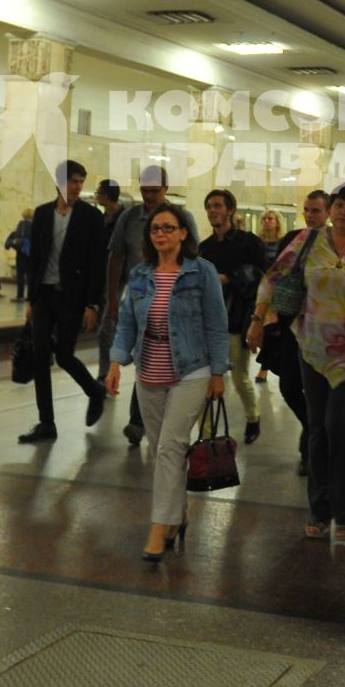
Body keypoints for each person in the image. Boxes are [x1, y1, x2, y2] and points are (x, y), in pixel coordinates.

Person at [248, 184, 345, 543]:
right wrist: (258, 319)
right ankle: (320, 510)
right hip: (312, 347)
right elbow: (273, 278)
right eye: (339, 205)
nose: (343, 212)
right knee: (317, 429)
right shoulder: (306, 241)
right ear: (331, 209)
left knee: (338, 426)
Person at [102, 203, 225, 562]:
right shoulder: (140, 275)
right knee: (161, 452)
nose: (161, 234)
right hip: (149, 372)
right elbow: (127, 324)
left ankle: (159, 527)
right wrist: (115, 362)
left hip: (192, 370)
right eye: (155, 229)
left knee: (171, 446)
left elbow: (216, 326)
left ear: (184, 233)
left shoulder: (201, 273)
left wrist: (218, 373)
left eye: (169, 228)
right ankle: (178, 514)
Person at [105, 168, 200, 446]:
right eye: (144, 190)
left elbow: (193, 256)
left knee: (166, 355)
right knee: (142, 353)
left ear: (166, 188)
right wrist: (113, 297)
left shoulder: (183, 218)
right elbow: (116, 257)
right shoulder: (130, 218)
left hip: (175, 298)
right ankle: (138, 421)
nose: (148, 196)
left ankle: (163, 416)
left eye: (154, 191)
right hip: (139, 299)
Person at [18, 162, 109, 445]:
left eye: (81, 181)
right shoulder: (43, 214)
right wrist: (31, 299)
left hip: (72, 298)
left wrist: (93, 305)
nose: (78, 187)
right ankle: (47, 423)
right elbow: (36, 260)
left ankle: (94, 391)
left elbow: (97, 264)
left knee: (65, 355)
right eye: (73, 181)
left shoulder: (92, 217)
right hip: (44, 295)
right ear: (59, 183)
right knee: (40, 356)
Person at [256, 191, 327, 474]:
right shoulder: (294, 239)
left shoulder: (335, 245)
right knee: (288, 385)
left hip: (321, 330)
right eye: (307, 210)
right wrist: (261, 320)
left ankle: (312, 449)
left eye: (316, 211)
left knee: (315, 390)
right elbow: (273, 278)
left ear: (329, 213)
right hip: (290, 327)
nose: (310, 216)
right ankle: (312, 429)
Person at [199, 189, 268, 443]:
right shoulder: (204, 249)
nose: (212, 211)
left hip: (238, 319)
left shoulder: (249, 243)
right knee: (206, 380)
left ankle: (253, 416)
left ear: (230, 210)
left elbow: (264, 279)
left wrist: (229, 278)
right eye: (209, 207)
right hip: (210, 324)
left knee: (239, 377)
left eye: (217, 206)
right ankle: (206, 437)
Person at [93, 179, 124, 375]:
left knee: (106, 329)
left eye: (98, 192)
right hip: (102, 278)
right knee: (106, 328)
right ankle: (107, 370)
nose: (96, 195)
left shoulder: (124, 218)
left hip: (119, 280)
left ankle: (106, 372)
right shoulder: (101, 219)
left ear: (105, 195)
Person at [254, 209, 288, 387]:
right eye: (264, 218)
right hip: (260, 293)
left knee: (273, 332)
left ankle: (265, 368)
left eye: (270, 218)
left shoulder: (284, 243)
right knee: (262, 332)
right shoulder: (257, 243)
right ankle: (267, 366)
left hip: (278, 293)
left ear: (277, 222)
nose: (267, 221)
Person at [6, 214, 34, 303]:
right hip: (31, 253)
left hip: (21, 252)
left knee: (20, 275)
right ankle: (30, 296)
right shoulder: (34, 224)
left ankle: (20, 295)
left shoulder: (21, 224)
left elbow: (16, 236)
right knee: (30, 275)